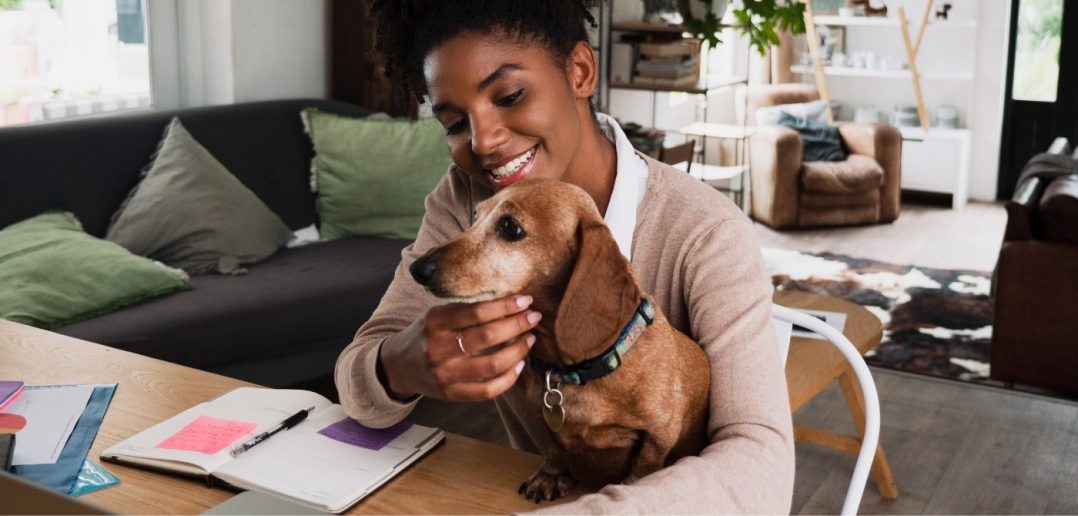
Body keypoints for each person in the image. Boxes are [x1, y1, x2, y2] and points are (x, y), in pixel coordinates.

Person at [334, 1, 794, 512]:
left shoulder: (706, 233)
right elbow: (357, 375)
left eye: (509, 96)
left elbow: (763, 467)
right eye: (454, 123)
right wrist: (397, 367)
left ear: (579, 71)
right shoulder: (464, 200)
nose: (484, 142)